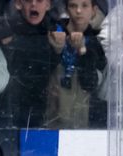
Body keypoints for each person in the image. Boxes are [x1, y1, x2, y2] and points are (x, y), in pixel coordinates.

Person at [45, 0, 107, 129]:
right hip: (50, 111)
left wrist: (83, 51)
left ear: (93, 10)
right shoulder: (52, 31)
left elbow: (91, 84)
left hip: (80, 117)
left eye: (84, 6)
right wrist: (57, 50)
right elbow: (38, 73)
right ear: (67, 10)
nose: (78, 11)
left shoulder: (96, 43)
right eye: (73, 6)